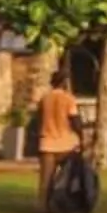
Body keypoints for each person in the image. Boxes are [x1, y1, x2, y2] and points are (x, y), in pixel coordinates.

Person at [36, 65, 82, 203]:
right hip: (66, 144)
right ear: (64, 82)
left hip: (47, 143)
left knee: (45, 180)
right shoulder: (69, 99)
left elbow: (39, 119)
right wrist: (81, 137)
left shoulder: (45, 99)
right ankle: (66, 203)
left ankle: (43, 207)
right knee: (68, 177)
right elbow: (74, 120)